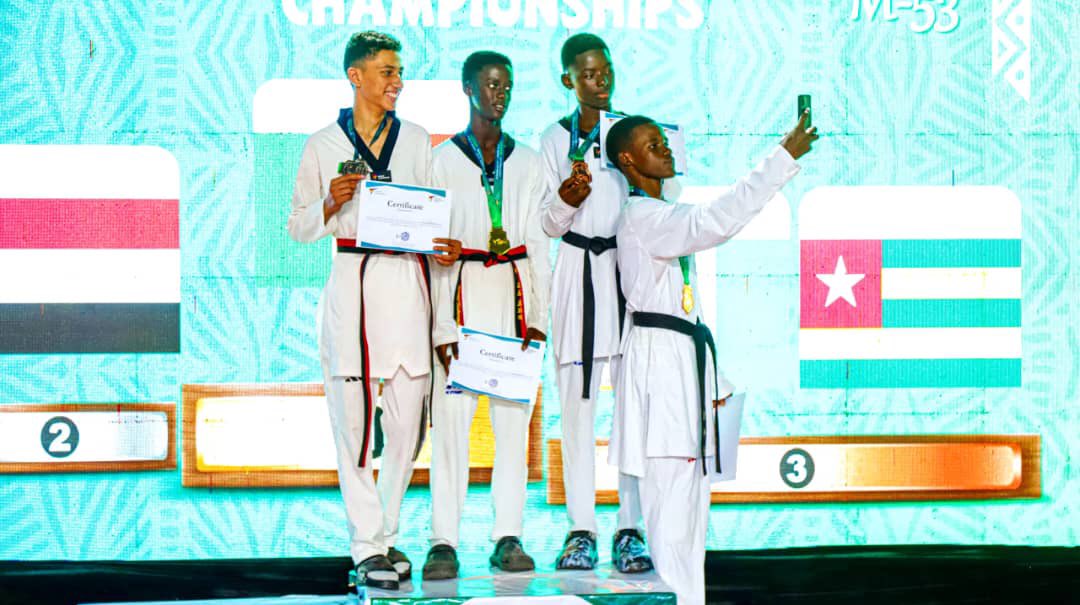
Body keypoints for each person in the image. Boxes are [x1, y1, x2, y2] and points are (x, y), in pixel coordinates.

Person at [605, 112, 816, 604]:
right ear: (627, 160)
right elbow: (714, 221)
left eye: (664, 140)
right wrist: (781, 159)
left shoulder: (660, 214)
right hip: (662, 372)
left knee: (691, 521)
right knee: (673, 519)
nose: (666, 149)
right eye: (652, 144)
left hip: (684, 365)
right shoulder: (642, 218)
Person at [287, 31, 461, 591]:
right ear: (355, 76)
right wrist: (331, 201)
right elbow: (297, 227)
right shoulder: (320, 144)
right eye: (386, 71)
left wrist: (443, 245)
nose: (397, 81)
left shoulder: (414, 139)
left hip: (407, 284)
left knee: (407, 427)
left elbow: (433, 214)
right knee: (356, 427)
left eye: (400, 71)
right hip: (353, 285)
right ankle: (365, 546)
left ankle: (384, 535)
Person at [422, 50, 551, 579]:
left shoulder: (527, 161)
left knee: (512, 426)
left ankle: (508, 535)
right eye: (491, 84)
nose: (501, 93)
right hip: (463, 296)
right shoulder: (443, 160)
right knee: (450, 425)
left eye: (508, 85)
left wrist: (538, 316)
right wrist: (440, 325)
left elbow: (540, 242)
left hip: (514, 300)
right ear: (468, 88)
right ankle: (443, 542)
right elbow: (432, 248)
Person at [538, 33, 652, 573]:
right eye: (587, 73)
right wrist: (568, 197)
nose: (599, 80)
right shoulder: (553, 139)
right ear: (568, 80)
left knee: (632, 411)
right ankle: (580, 528)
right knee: (578, 411)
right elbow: (546, 222)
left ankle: (630, 528)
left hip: (627, 277)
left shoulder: (636, 133)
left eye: (605, 70)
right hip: (577, 275)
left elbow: (666, 204)